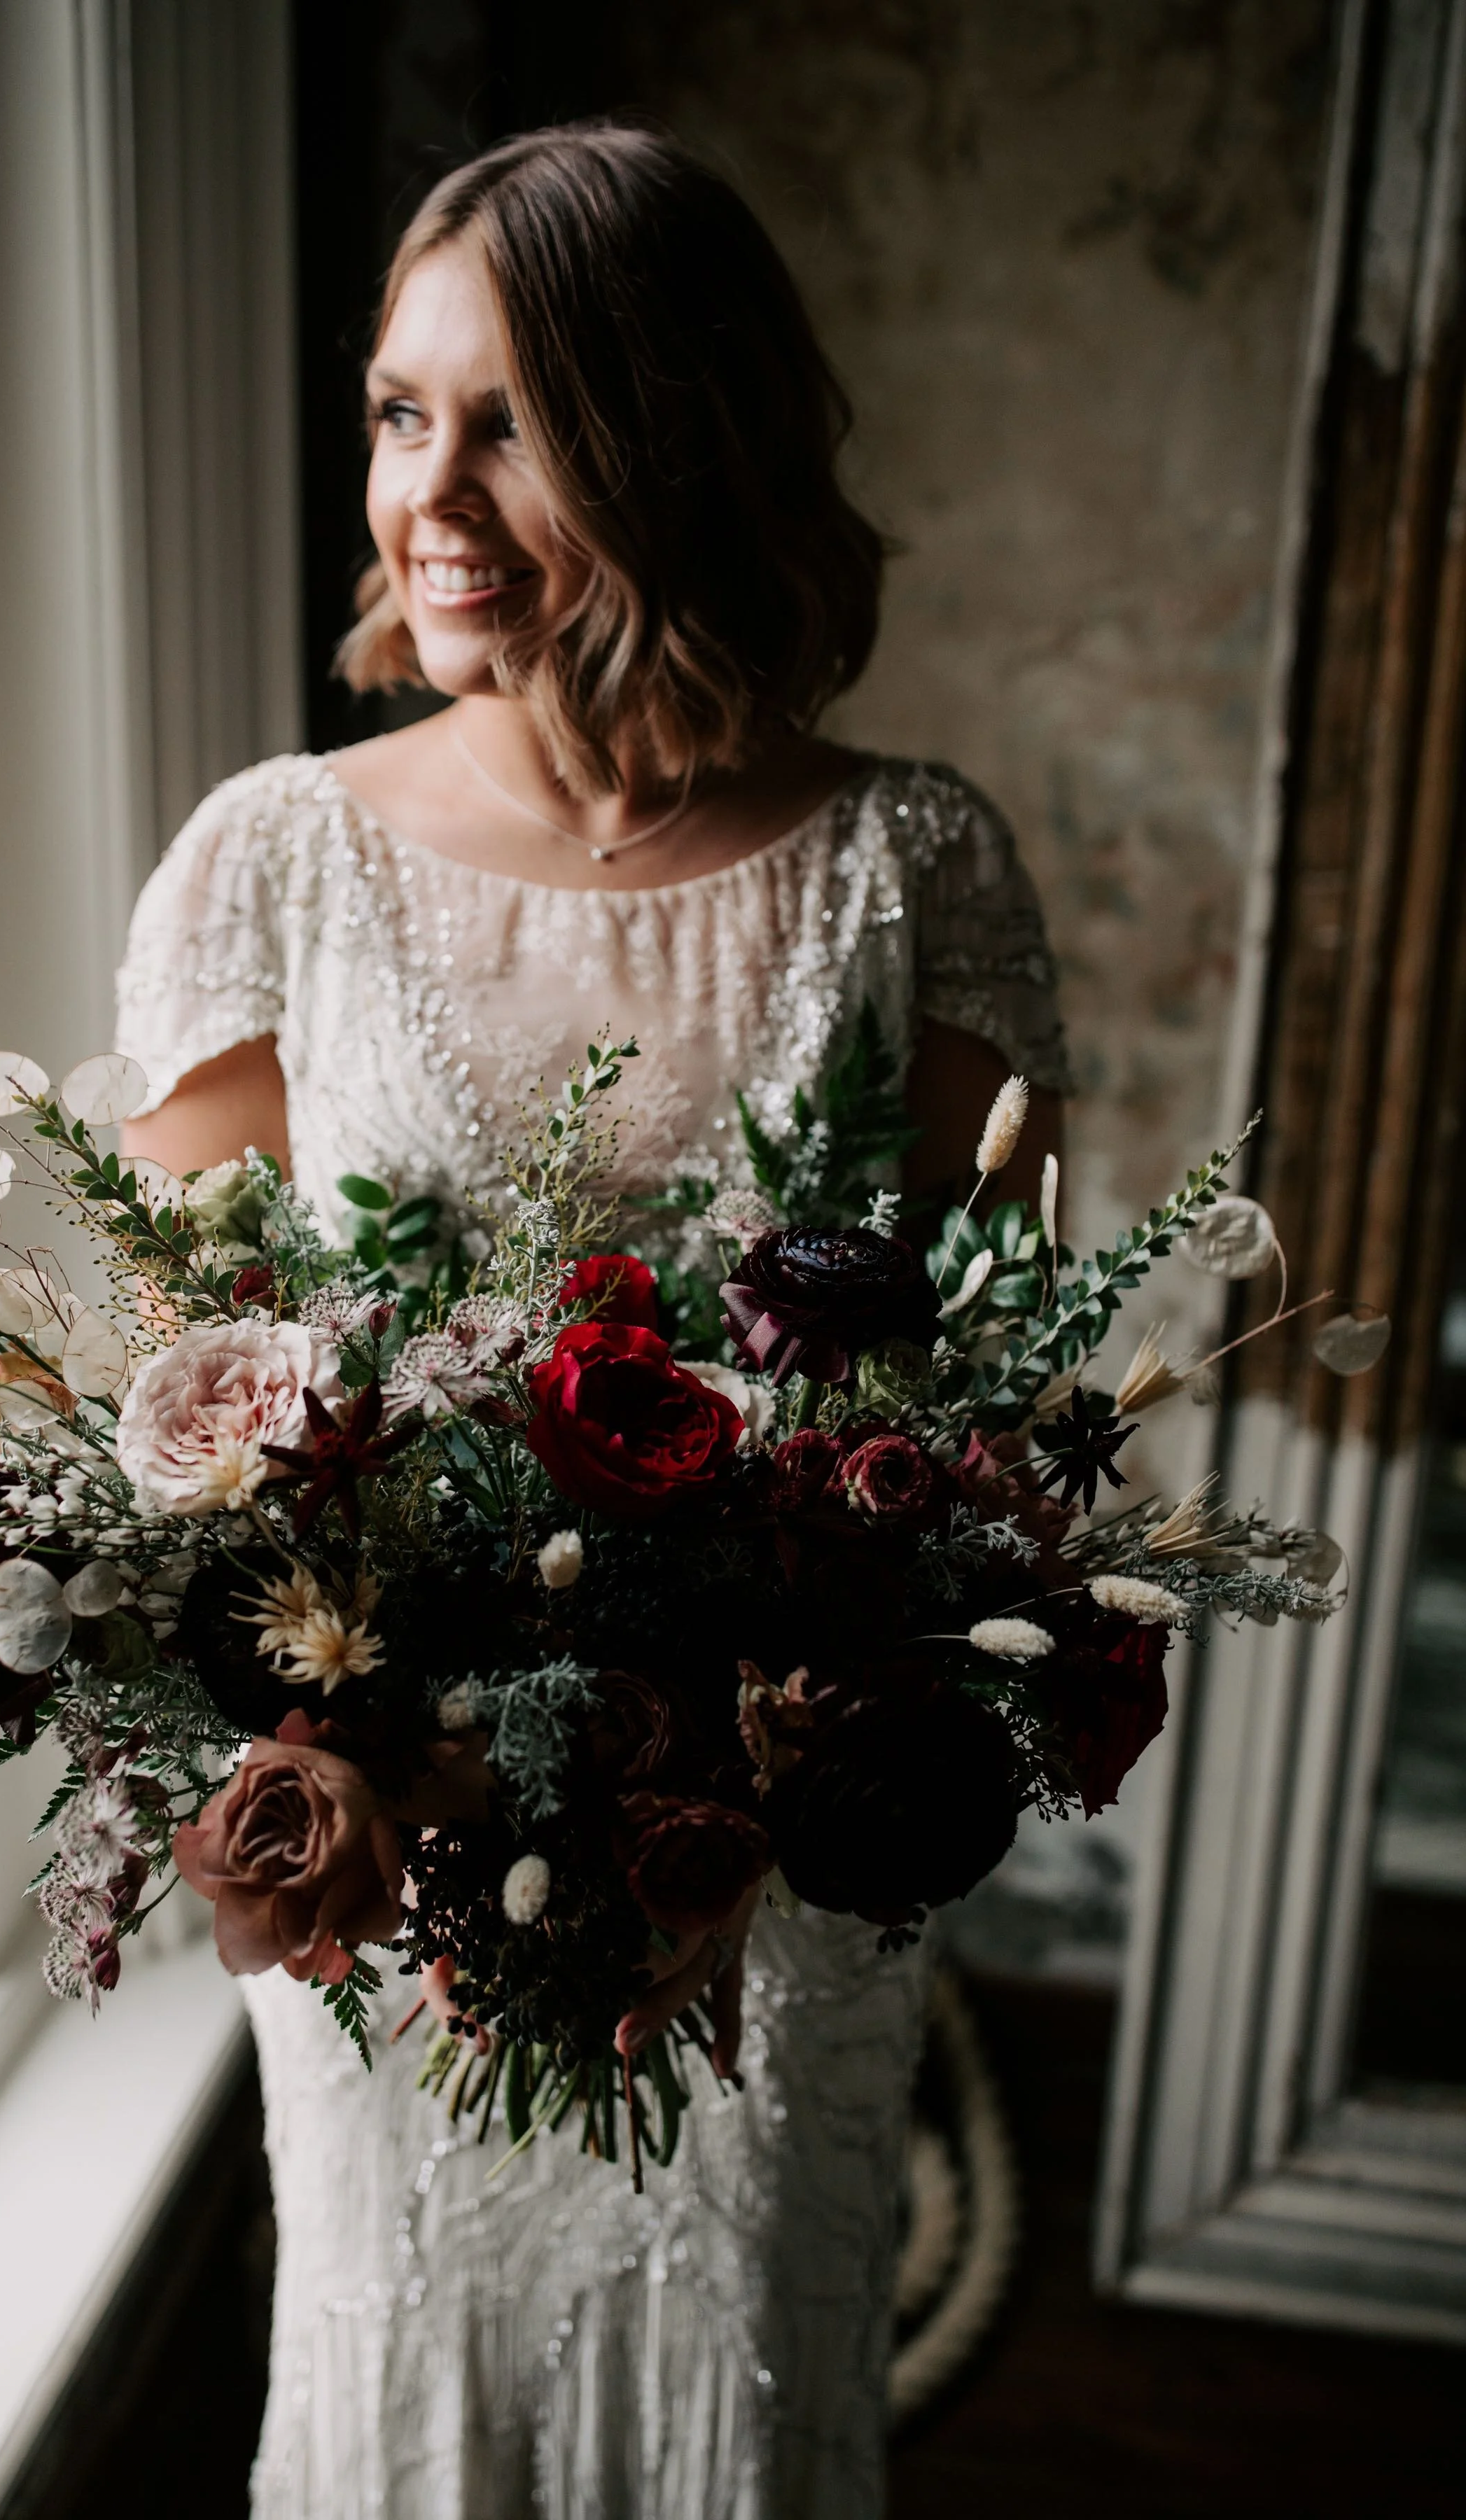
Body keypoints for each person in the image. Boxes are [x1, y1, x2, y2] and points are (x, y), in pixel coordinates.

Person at [117, 120, 1066, 2520]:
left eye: (514, 420)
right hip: (393, 1878)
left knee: (745, 2391)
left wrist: (801, 1729)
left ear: (680, 434)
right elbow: (158, 1438)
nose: (428, 492)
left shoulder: (910, 868)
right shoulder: (277, 860)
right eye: (399, 412)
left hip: (772, 1871)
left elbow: (1003, 1421)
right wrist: (346, 1754)